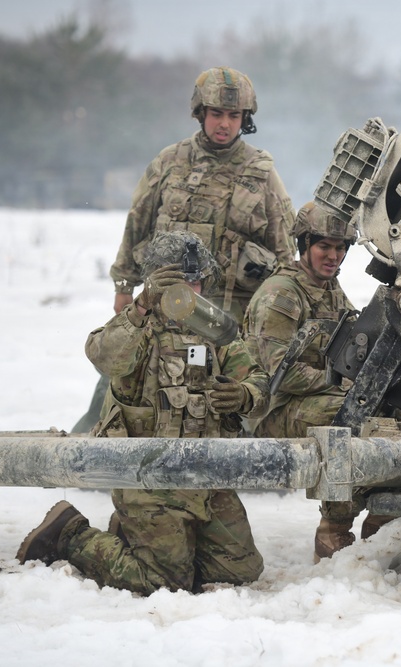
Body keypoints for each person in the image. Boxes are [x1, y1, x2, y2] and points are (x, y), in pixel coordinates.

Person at [18, 231, 271, 595]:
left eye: (196, 282)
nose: (189, 292)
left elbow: (258, 382)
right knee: (165, 583)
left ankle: (146, 542)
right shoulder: (138, 326)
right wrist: (139, 307)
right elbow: (105, 357)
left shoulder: (214, 331)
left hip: (204, 475)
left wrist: (245, 395)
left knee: (242, 570)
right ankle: (69, 534)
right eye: (178, 283)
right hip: (146, 476)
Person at [71, 66, 296, 433]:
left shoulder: (262, 174)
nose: (225, 123)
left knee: (237, 394)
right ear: (200, 113)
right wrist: (124, 288)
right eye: (217, 113)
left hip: (231, 311)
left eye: (234, 115)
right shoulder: (170, 162)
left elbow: (285, 251)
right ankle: (88, 445)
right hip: (165, 305)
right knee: (122, 376)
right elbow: (137, 224)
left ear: (245, 119)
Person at [242, 202, 393, 563]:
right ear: (304, 245)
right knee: (348, 419)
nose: (333, 256)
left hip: (311, 398)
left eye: (340, 248)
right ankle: (333, 528)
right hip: (273, 409)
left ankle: (382, 518)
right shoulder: (281, 294)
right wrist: (342, 386)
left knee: (386, 414)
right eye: (324, 246)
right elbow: (279, 373)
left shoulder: (329, 290)